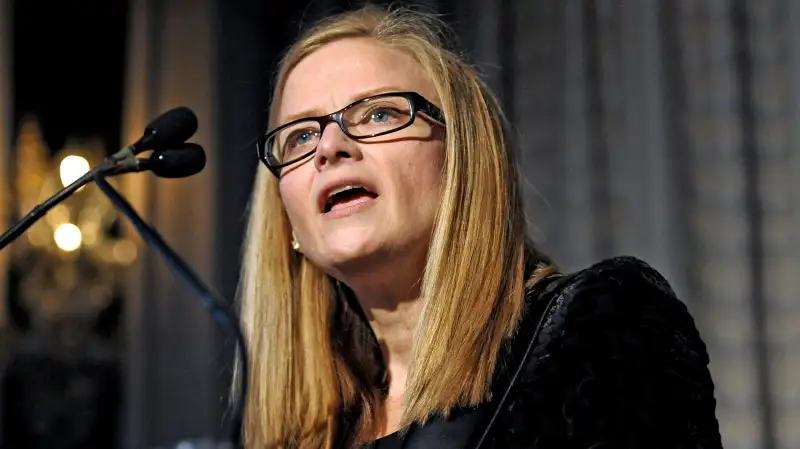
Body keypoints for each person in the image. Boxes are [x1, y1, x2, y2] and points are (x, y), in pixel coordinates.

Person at [238, 4, 722, 448]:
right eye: (301, 136)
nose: (330, 148)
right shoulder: (297, 430)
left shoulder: (600, 325)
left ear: (461, 162)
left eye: (379, 113)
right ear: (289, 223)